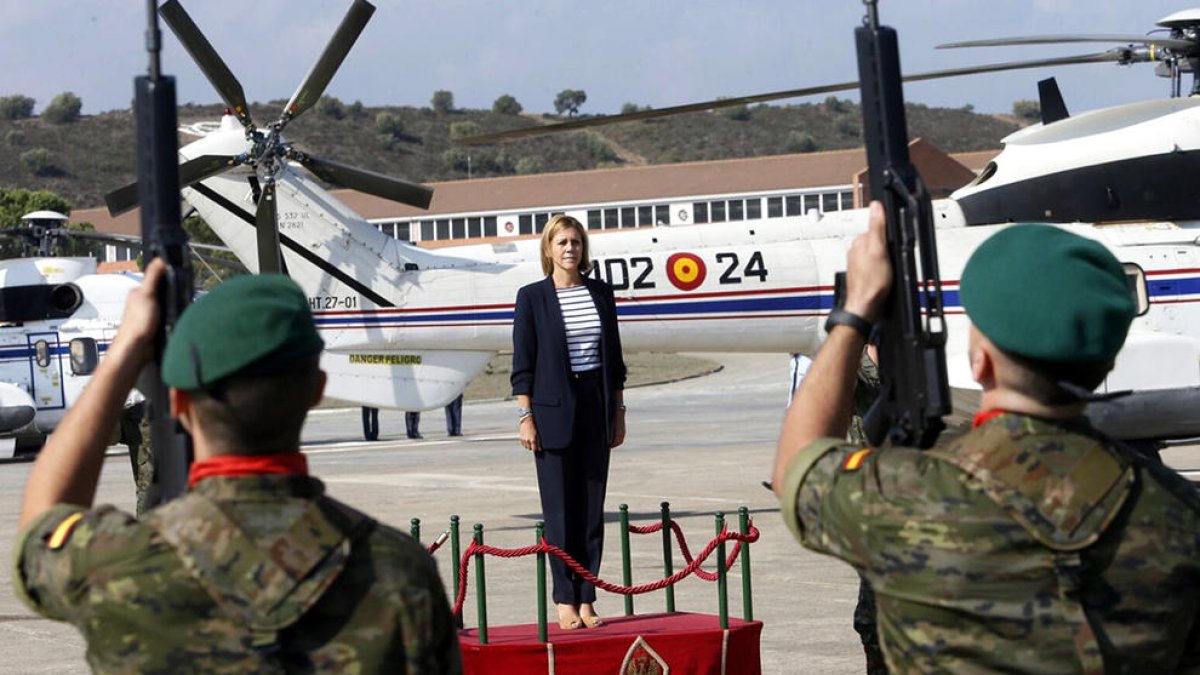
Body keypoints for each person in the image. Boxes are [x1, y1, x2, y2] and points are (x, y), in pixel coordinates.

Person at [774, 203, 1200, 673]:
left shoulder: (905, 497)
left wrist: (853, 313)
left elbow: (799, 464)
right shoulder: (1179, 513)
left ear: (980, 362)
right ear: (1106, 357)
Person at [14, 261, 461, 673]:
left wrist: (124, 351)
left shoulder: (116, 565)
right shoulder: (400, 575)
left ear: (178, 402)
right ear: (316, 390)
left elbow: (42, 523)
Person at [511, 214, 627, 631]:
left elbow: (614, 360)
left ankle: (587, 596)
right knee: (560, 510)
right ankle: (564, 597)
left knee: (591, 511)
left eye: (575, 242)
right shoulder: (532, 297)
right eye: (561, 242)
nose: (569, 249)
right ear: (548, 249)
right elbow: (522, 364)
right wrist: (526, 416)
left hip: (595, 408)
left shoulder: (600, 293)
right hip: (552, 413)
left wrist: (618, 411)